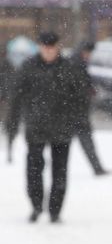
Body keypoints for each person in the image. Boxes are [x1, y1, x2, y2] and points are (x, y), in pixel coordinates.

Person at [5, 31, 80, 223]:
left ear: (57, 47)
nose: (48, 51)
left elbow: (78, 97)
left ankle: (55, 210)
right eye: (44, 47)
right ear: (39, 47)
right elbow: (16, 98)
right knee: (33, 170)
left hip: (62, 128)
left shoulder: (67, 68)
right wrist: (11, 124)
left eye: (51, 47)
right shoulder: (28, 67)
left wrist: (75, 120)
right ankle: (36, 205)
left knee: (60, 171)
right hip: (35, 128)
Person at [71, 40, 110, 176]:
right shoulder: (76, 64)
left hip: (76, 110)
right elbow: (77, 87)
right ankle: (97, 168)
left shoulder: (78, 62)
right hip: (76, 110)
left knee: (67, 142)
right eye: (89, 53)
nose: (89, 56)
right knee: (84, 140)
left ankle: (97, 167)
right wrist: (88, 92)